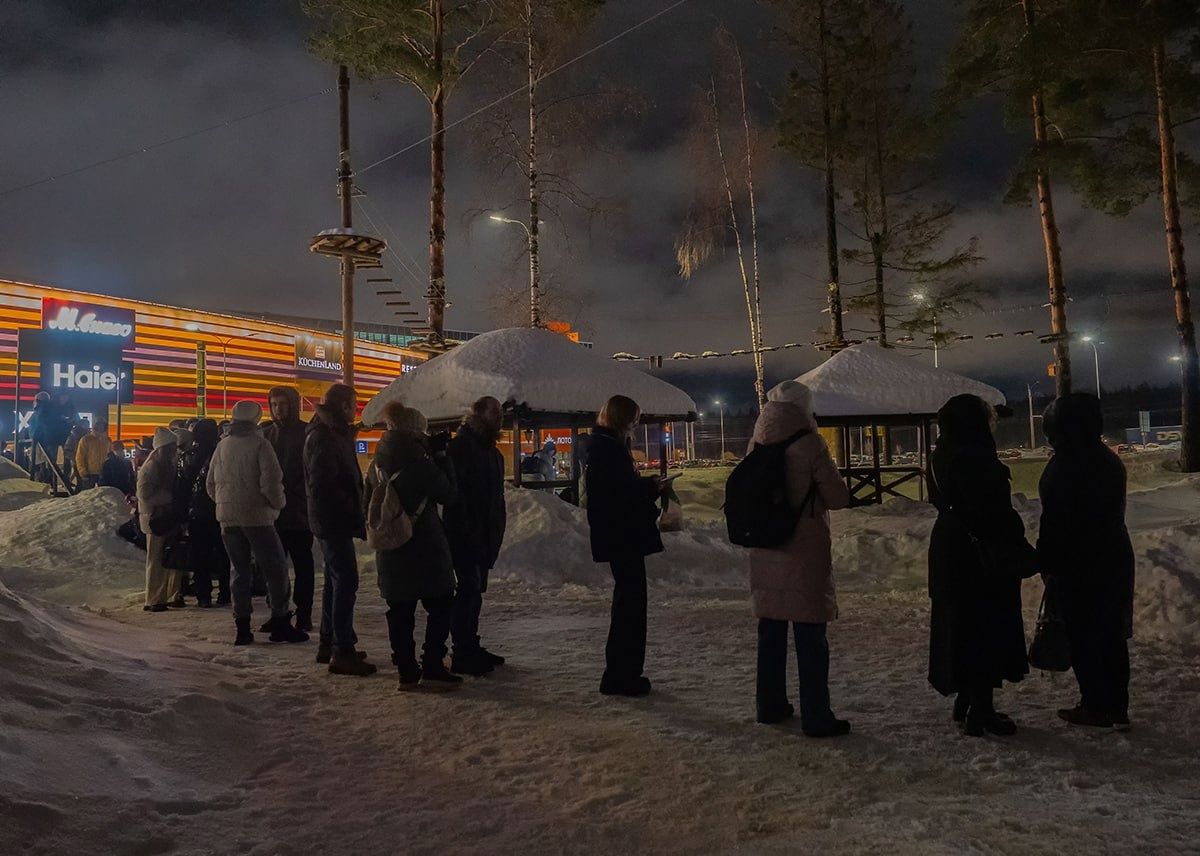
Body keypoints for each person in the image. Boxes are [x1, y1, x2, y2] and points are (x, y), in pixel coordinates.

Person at [927, 394, 1037, 738]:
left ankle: (967, 701)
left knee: (961, 623)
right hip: (979, 552)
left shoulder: (942, 453)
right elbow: (990, 510)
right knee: (985, 625)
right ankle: (982, 711)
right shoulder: (975, 456)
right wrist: (1016, 541)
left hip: (950, 546)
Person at [747, 381, 852, 735]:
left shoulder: (757, 441)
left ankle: (770, 705)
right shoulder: (810, 444)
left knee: (771, 634)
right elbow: (837, 497)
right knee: (810, 638)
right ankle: (816, 716)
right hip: (803, 551)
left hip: (765, 548)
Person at [1038, 393, 1135, 730]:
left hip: (1077, 558)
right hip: (1112, 554)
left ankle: (1096, 703)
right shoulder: (1106, 459)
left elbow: (1055, 521)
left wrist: (1046, 560)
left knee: (1082, 632)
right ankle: (1115, 704)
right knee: (1109, 633)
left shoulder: (1065, 464)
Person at [367, 401, 461, 691]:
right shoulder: (420, 462)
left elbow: (367, 503)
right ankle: (432, 663)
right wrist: (442, 456)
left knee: (400, 610)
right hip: (425, 549)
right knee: (442, 603)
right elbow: (448, 493)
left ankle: (406, 670)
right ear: (416, 431)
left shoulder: (377, 463)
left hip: (391, 547)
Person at [206, 400, 307, 646]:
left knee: (239, 571)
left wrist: (225, 504)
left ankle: (242, 627)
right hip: (258, 517)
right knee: (276, 569)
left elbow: (211, 484)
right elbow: (271, 482)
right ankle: (280, 621)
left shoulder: (222, 446)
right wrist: (278, 504)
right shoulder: (261, 445)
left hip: (228, 520)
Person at [586, 395, 667, 697]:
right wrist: (648, 491)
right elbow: (621, 498)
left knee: (627, 605)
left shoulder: (605, 449)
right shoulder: (611, 452)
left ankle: (621, 672)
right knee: (630, 608)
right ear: (623, 420)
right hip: (624, 538)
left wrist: (643, 488)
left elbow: (617, 493)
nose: (636, 424)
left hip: (617, 537)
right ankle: (623, 674)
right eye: (633, 419)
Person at [304, 384, 375, 676]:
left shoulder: (330, 431)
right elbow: (324, 485)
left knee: (336, 582)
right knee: (346, 581)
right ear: (343, 406)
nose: (355, 410)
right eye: (353, 404)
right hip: (333, 519)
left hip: (331, 519)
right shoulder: (325, 435)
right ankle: (341, 650)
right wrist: (349, 505)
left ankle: (330, 643)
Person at [444, 395, 508, 676]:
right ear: (479, 414)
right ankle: (462, 651)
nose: (500, 416)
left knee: (475, 592)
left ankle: (470, 644)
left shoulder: (491, 451)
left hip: (484, 534)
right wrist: (471, 533)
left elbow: (495, 498)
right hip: (466, 534)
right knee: (468, 592)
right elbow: (458, 499)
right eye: (495, 412)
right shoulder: (463, 448)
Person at [264, 386, 316, 632]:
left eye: (283, 404)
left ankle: (304, 614)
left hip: (298, 512)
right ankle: (278, 612)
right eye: (274, 405)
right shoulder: (267, 435)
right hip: (273, 513)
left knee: (303, 567)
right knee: (275, 567)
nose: (278, 409)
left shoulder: (305, 432)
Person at [178, 419, 229, 608]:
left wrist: (182, 513)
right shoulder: (222, 453)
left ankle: (203, 595)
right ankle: (225, 592)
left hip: (196, 512)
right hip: (219, 508)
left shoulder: (188, 456)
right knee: (224, 552)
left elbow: (181, 487)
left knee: (200, 555)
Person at [138, 427, 181, 613]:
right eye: (171, 447)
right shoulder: (152, 467)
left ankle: (167, 594)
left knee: (167, 557)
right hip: (155, 518)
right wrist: (171, 498)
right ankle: (154, 598)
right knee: (156, 559)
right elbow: (145, 494)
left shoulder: (164, 465)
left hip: (162, 517)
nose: (174, 450)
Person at [75, 420, 112, 490]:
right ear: (95, 426)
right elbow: (80, 457)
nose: (101, 428)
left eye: (102, 426)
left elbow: (110, 455)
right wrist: (83, 471)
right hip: (90, 473)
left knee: (104, 494)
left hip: (104, 473)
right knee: (87, 495)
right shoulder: (86, 439)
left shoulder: (107, 440)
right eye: (99, 426)